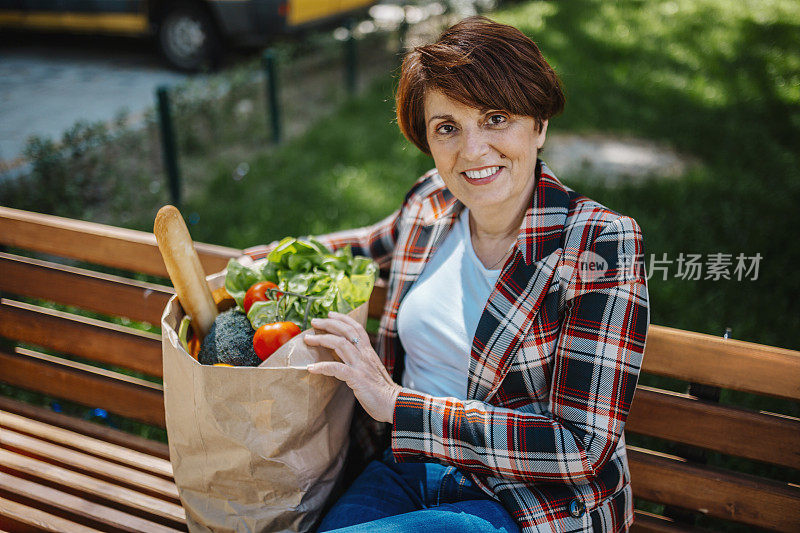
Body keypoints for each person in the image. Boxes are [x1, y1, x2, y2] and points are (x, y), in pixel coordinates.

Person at [246, 16, 649, 533]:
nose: (473, 150)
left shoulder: (599, 243)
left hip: (522, 501)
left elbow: (580, 448)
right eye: (447, 128)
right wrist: (258, 260)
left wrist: (400, 406)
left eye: (497, 118)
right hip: (403, 473)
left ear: (540, 125)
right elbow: (360, 249)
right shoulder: (430, 204)